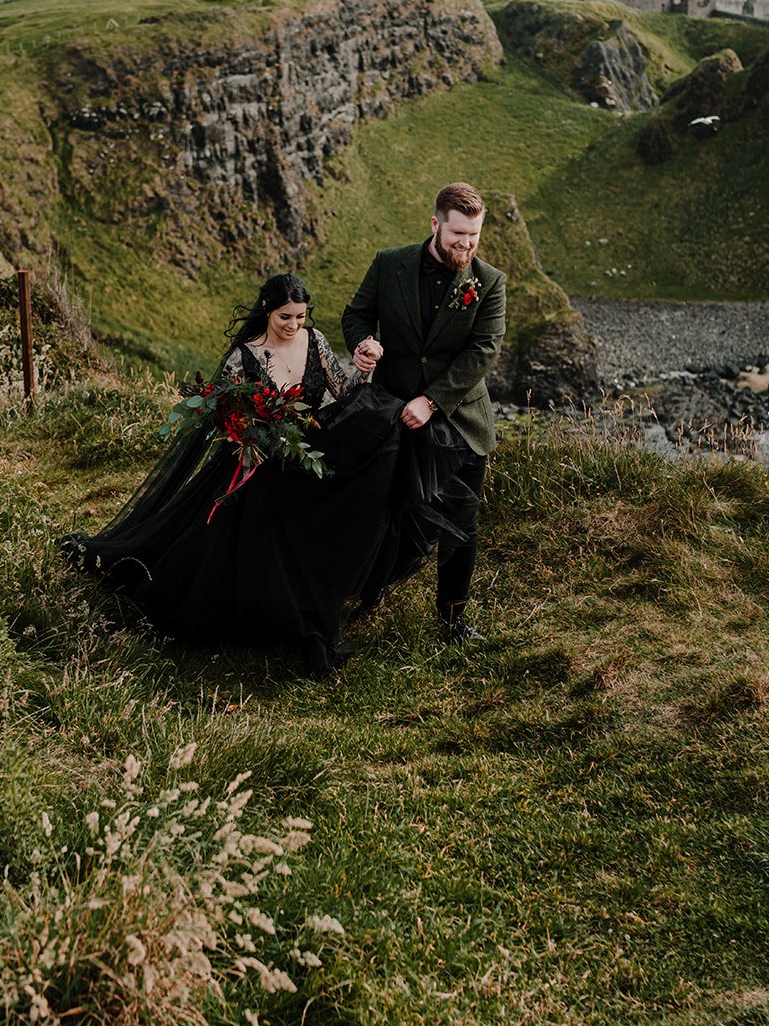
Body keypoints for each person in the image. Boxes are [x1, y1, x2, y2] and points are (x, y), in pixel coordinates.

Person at [64, 271, 472, 675]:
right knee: (252, 515)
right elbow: (224, 418)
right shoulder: (245, 356)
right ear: (267, 311)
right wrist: (248, 441)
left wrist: (363, 367)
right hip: (256, 459)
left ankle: (333, 590)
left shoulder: (316, 341)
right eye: (285, 318)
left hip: (305, 450)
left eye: (300, 316)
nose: (294, 325)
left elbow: (346, 394)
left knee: (383, 431)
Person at [342, 181, 507, 643]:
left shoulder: (490, 282)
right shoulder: (388, 263)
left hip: (460, 421)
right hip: (393, 412)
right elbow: (357, 314)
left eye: (474, 235)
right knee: (384, 510)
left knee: (461, 523)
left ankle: (452, 620)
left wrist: (432, 401)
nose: (467, 245)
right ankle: (364, 595)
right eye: (458, 234)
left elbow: (483, 352)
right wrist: (363, 345)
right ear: (435, 224)